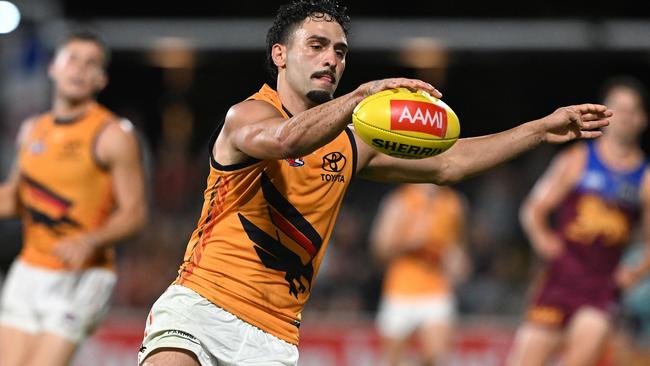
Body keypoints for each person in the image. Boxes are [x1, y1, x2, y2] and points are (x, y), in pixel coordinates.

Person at [137, 1, 611, 365]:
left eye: (340, 51)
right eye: (317, 46)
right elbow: (285, 141)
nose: (331, 59)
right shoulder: (250, 114)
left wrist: (539, 130)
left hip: (274, 334)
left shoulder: (349, 143)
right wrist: (363, 95)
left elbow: (452, 164)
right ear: (279, 55)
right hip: (200, 307)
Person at [0, 30, 147, 366]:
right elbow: (14, 198)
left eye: (90, 63)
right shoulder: (32, 129)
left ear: (101, 79)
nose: (79, 69)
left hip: (80, 276)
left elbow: (135, 214)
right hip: (29, 270)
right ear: (54, 67)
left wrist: (90, 239)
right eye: (72, 59)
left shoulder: (112, 135)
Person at [507, 76, 650, 366]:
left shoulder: (645, 177)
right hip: (558, 281)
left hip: (602, 286)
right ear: (605, 114)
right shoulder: (577, 159)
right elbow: (533, 209)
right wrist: (543, 241)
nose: (624, 117)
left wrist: (635, 273)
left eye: (631, 110)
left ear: (642, 119)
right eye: (617, 109)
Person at [371, 183, 470, 366]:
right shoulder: (400, 200)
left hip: (437, 289)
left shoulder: (453, 203)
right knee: (392, 360)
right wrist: (409, 243)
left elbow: (459, 247)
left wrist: (458, 263)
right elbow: (380, 250)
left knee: (436, 356)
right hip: (400, 290)